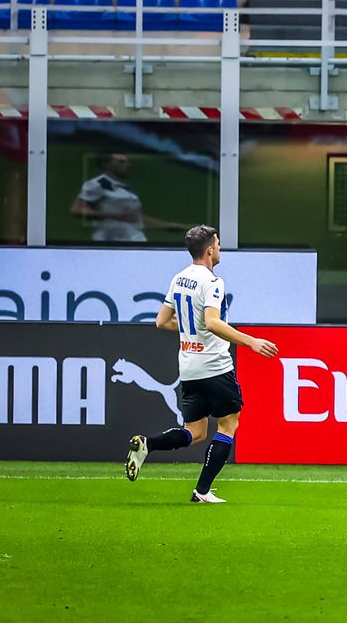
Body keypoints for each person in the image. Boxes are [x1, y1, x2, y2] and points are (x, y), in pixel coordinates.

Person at [124, 225, 279, 503]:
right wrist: (251, 341)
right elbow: (212, 322)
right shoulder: (212, 282)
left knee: (195, 432)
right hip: (215, 366)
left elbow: (161, 321)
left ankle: (149, 444)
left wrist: (190, 331)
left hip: (189, 367)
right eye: (217, 244)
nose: (219, 248)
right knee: (229, 425)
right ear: (209, 250)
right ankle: (202, 491)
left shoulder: (179, 278)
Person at [71, 153, 184, 243]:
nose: (127, 165)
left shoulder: (125, 189)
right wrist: (115, 216)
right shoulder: (98, 184)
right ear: (106, 164)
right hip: (110, 244)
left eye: (126, 161)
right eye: (121, 162)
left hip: (135, 241)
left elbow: (136, 217)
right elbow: (77, 209)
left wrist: (166, 225)